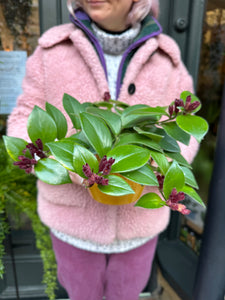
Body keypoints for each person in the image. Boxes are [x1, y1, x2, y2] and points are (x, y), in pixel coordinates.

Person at [7, 0, 199, 299]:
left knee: (127, 292)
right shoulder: (52, 50)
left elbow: (187, 130)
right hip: (73, 224)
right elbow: (23, 117)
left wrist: (161, 169)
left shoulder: (166, 58)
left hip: (139, 223)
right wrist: (63, 162)